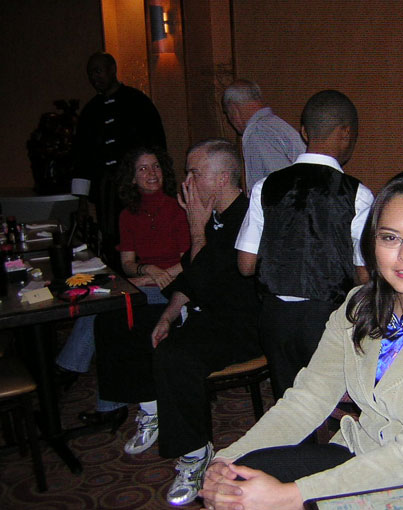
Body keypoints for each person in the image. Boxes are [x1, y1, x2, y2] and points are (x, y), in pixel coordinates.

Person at [200, 169, 403, 510]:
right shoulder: (358, 307)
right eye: (390, 238)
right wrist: (226, 461)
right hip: (359, 456)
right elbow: (308, 399)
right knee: (240, 479)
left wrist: (291, 496)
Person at [94, 138, 261, 506]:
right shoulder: (214, 215)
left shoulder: (244, 220)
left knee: (175, 355)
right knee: (117, 320)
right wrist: (168, 314)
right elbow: (188, 280)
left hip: (242, 325)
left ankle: (195, 452)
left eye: (194, 173)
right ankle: (152, 406)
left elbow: (202, 278)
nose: (186, 182)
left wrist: (197, 230)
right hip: (206, 314)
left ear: (220, 179)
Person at [235, 89, 374, 400]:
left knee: (290, 405)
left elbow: (245, 265)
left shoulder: (265, 187)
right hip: (326, 318)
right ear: (346, 133)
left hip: (275, 318)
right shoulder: (357, 194)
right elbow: (364, 275)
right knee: (331, 402)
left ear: (304, 132)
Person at [56, 146, 189, 428]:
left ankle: (68, 372)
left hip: (175, 287)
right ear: (132, 177)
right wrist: (145, 270)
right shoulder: (128, 215)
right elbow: (128, 263)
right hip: (148, 283)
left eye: (156, 166)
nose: (151, 173)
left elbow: (188, 262)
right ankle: (99, 397)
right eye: (143, 168)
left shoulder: (178, 208)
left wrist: (154, 276)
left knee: (105, 307)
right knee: (103, 308)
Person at [72, 52, 167, 269]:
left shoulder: (138, 102)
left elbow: (157, 147)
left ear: (112, 69)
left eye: (98, 71)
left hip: (137, 189)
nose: (94, 77)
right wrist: (82, 202)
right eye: (90, 73)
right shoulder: (90, 111)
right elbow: (82, 159)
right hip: (106, 192)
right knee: (112, 240)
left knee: (143, 237)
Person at [222, 79, 305, 194]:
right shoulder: (276, 125)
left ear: (234, 109)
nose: (229, 121)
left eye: (228, 113)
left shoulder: (257, 132)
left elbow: (279, 184)